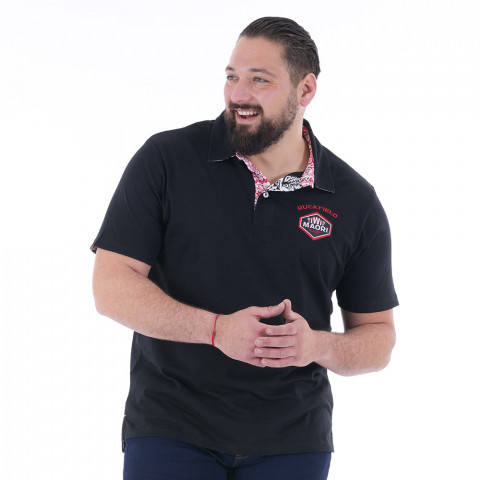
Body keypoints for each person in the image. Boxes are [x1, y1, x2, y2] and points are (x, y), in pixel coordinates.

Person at [91, 16, 398, 480]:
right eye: (232, 76)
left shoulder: (355, 200)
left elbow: (378, 338)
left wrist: (315, 345)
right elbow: (110, 286)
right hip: (171, 426)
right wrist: (216, 330)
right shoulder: (167, 159)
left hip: (292, 440)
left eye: (259, 80)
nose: (238, 94)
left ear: (305, 89)